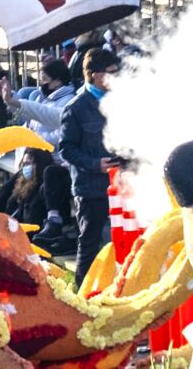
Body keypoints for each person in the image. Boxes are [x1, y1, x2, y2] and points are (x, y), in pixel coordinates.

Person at [58, 46, 118, 276]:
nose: (116, 76)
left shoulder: (120, 100)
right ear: (94, 74)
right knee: (90, 244)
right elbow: (66, 149)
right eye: (111, 71)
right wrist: (95, 164)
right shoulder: (76, 108)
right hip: (90, 188)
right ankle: (82, 294)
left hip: (121, 183)